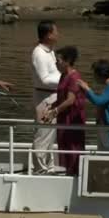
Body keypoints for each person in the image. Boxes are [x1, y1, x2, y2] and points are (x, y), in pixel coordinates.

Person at [45, 46, 86, 176]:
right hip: (63, 117)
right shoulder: (63, 76)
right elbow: (61, 97)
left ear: (67, 61)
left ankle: (75, 174)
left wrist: (55, 111)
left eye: (58, 61)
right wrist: (51, 106)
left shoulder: (74, 77)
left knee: (73, 147)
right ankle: (69, 172)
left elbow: (70, 100)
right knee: (64, 144)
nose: (56, 63)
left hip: (72, 118)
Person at [31, 20, 61, 174]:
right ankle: (40, 169)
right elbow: (44, 79)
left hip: (53, 96)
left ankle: (49, 167)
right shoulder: (39, 53)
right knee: (43, 133)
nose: (58, 34)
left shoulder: (50, 51)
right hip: (44, 96)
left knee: (51, 135)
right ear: (49, 35)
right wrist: (64, 81)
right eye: (55, 31)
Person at [77, 59, 109, 151]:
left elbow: (98, 101)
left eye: (94, 74)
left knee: (108, 155)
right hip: (106, 126)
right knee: (103, 153)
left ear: (100, 75)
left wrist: (87, 89)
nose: (94, 77)